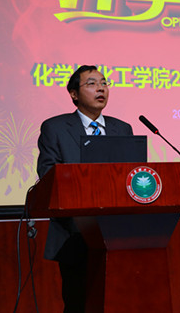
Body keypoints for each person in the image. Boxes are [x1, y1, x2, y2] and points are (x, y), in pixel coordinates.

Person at [36, 65, 133, 313]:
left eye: (104, 83)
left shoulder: (122, 129)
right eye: (91, 83)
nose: (101, 88)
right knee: (80, 304)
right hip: (75, 233)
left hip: (118, 233)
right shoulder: (55, 128)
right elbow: (48, 174)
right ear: (74, 94)